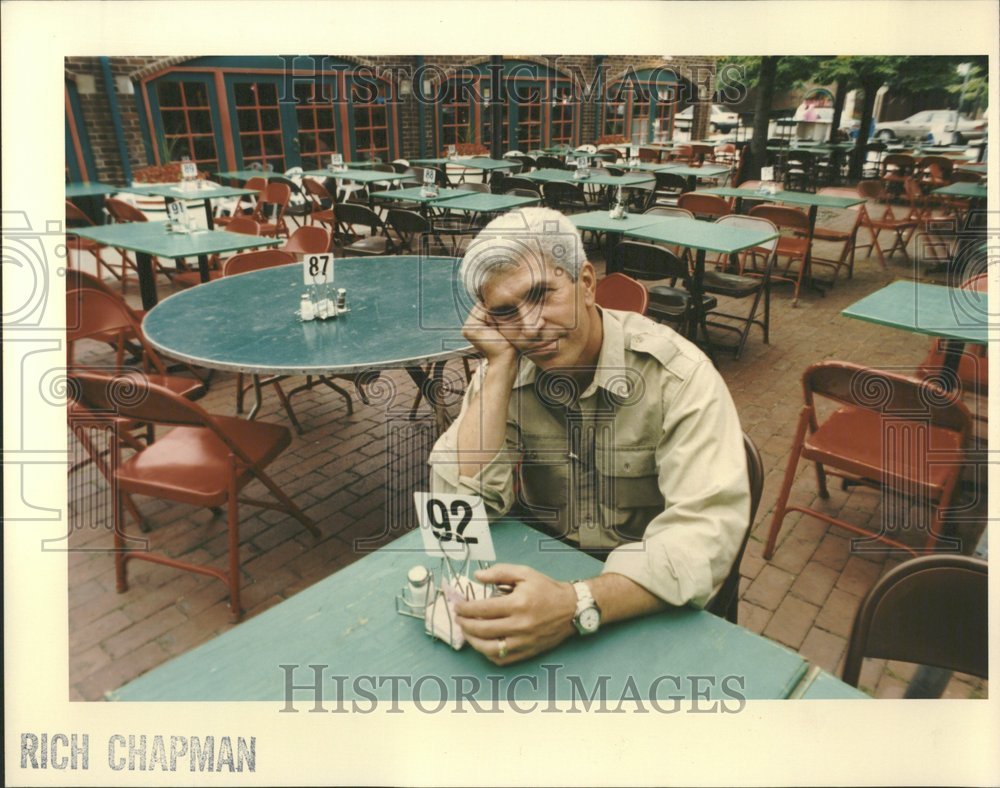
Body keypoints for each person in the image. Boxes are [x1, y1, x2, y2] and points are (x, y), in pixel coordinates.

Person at [428, 207, 749, 665]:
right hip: (544, 589)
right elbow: (455, 515)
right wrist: (496, 369)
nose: (530, 326)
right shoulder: (506, 368)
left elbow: (702, 540)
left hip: (651, 607)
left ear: (585, 282)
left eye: (541, 295)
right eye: (505, 312)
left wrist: (575, 602)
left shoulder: (678, 376)